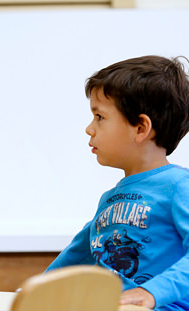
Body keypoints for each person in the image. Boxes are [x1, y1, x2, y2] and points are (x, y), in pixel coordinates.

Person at [45, 55, 189, 310]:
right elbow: (77, 255)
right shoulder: (109, 199)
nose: (89, 129)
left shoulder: (179, 186)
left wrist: (151, 293)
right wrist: (36, 290)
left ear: (140, 128)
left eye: (99, 117)